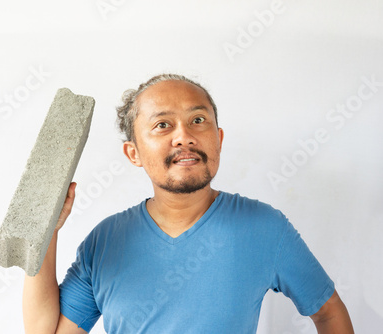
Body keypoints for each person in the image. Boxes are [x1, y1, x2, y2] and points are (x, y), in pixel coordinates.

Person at [23, 74, 354, 333]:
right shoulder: (106, 241)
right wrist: (47, 230)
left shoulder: (266, 228)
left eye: (198, 120)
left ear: (219, 139)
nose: (184, 136)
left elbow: (327, 310)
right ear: (133, 153)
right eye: (162, 125)